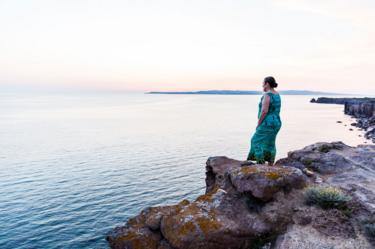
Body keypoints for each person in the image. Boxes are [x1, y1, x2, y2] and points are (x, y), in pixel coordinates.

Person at [245, 76, 282, 165]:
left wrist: (258, 123)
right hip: (277, 122)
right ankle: (270, 163)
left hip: (267, 123)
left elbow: (264, 111)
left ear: (267, 84)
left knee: (255, 140)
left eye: (263, 84)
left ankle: (260, 163)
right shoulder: (277, 94)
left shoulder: (267, 95)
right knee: (271, 142)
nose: (262, 86)